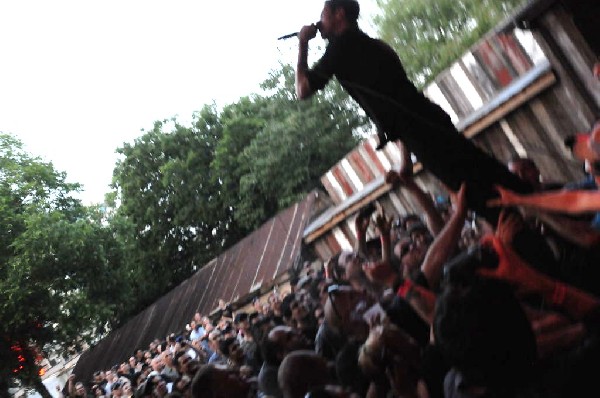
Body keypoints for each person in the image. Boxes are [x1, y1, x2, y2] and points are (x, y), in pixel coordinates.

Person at [295, 0, 531, 226]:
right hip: (425, 118)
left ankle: (523, 237)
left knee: (471, 190)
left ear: (339, 15)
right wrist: (406, 159)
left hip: (418, 130)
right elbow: (397, 103)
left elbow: (303, 90)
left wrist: (303, 43)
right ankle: (536, 198)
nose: (319, 21)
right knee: (479, 167)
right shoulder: (377, 46)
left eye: (323, 13)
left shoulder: (340, 48)